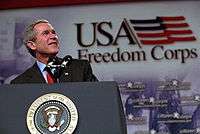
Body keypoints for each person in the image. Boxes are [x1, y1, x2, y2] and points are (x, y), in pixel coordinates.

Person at [11, 19, 98, 84]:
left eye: (53, 32)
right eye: (45, 33)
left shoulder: (80, 68)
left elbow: (99, 97)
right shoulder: (20, 83)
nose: (53, 36)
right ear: (32, 45)